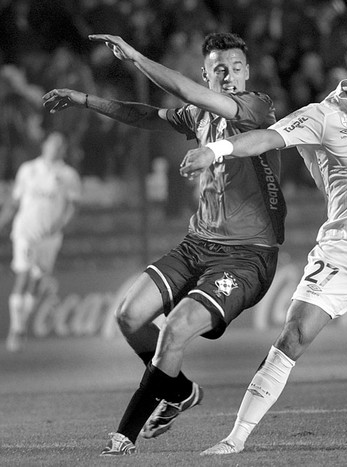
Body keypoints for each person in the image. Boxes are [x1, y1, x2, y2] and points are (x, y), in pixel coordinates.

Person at [179, 41, 347, 456]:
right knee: (294, 335)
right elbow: (266, 138)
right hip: (343, 250)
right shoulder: (322, 118)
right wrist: (216, 149)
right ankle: (236, 438)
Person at [42, 32, 285, 456]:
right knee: (128, 316)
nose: (229, 77)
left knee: (174, 329)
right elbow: (144, 115)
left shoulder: (257, 107)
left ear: (248, 73)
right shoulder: (198, 116)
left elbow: (181, 89)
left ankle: (124, 436)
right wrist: (86, 100)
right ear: (205, 73)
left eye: (237, 68)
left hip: (248, 257)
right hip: (198, 244)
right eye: (219, 69)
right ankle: (180, 391)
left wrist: (136, 56)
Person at [0, 131, 81, 352]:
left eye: (60, 145)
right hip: (25, 232)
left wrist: (61, 226)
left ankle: (21, 325)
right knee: (24, 276)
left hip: (50, 238)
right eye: (52, 143)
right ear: (44, 145)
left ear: (64, 149)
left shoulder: (68, 175)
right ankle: (16, 329)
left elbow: (72, 207)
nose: (55, 148)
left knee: (36, 281)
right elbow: (15, 202)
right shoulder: (27, 170)